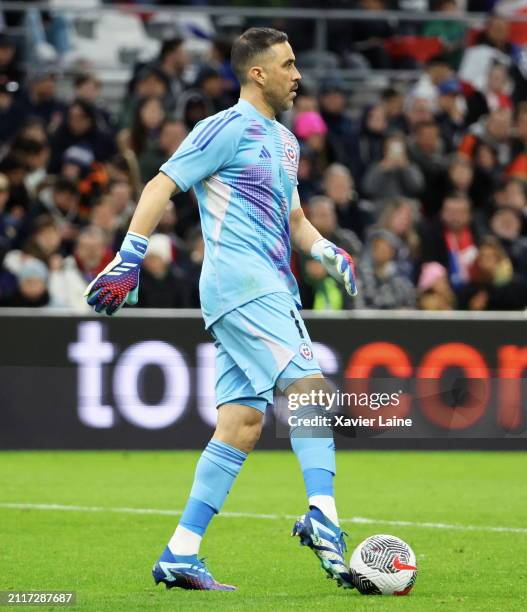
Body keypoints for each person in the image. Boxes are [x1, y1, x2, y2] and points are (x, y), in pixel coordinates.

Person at [84, 28, 358, 591]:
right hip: (242, 283)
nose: (297, 74)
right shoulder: (223, 128)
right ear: (258, 73)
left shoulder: (286, 142)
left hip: (267, 286)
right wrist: (128, 256)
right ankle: (325, 514)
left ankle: (180, 552)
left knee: (241, 424)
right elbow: (161, 184)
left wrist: (328, 251)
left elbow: (296, 221)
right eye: (288, 64)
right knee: (308, 388)